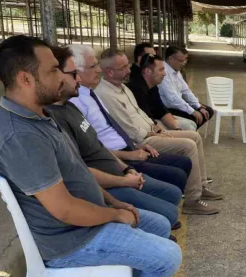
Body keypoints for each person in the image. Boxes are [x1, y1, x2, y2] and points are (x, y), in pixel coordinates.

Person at [0, 35, 180, 277]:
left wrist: (115, 201)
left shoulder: (41, 115)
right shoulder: (21, 136)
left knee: (157, 226)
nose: (62, 78)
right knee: (169, 256)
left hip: (88, 219)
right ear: (26, 78)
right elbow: (64, 210)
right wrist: (116, 215)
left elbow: (79, 173)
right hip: (71, 240)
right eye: (53, 70)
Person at [47, 46, 182, 229]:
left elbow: (98, 146)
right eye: (74, 73)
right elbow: (81, 172)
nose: (98, 70)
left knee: (172, 197)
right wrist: (124, 181)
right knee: (166, 220)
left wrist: (127, 169)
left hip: (119, 167)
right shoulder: (56, 117)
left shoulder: (72, 106)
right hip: (107, 181)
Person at [95, 48, 222, 216]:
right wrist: (151, 134)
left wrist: (155, 126)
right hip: (142, 141)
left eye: (128, 65)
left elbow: (140, 113)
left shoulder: (123, 88)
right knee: (188, 145)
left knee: (194, 136)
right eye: (124, 67)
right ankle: (192, 200)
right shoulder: (106, 94)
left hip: (150, 132)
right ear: (110, 72)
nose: (129, 70)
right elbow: (127, 128)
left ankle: (200, 185)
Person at [68, 44, 192, 195]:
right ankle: (190, 197)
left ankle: (189, 194)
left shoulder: (93, 94)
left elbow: (134, 117)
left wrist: (145, 136)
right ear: (76, 72)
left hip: (130, 146)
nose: (130, 70)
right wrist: (130, 157)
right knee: (178, 171)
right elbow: (92, 148)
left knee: (183, 162)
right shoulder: (82, 100)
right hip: (119, 155)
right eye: (93, 66)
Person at [128, 43, 197, 131]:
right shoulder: (136, 82)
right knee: (189, 129)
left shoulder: (152, 79)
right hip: (148, 124)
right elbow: (144, 116)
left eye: (155, 55)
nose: (164, 73)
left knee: (190, 125)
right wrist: (164, 131)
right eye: (151, 56)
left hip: (157, 116)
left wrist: (175, 126)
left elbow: (158, 106)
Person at [159, 46, 214, 129]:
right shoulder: (163, 72)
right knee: (194, 117)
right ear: (171, 58)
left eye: (185, 59)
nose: (184, 63)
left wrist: (197, 106)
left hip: (177, 104)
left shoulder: (176, 70)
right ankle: (185, 134)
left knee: (207, 111)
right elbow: (172, 98)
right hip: (167, 108)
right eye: (181, 60)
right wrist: (192, 111)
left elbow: (186, 91)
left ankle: (188, 133)